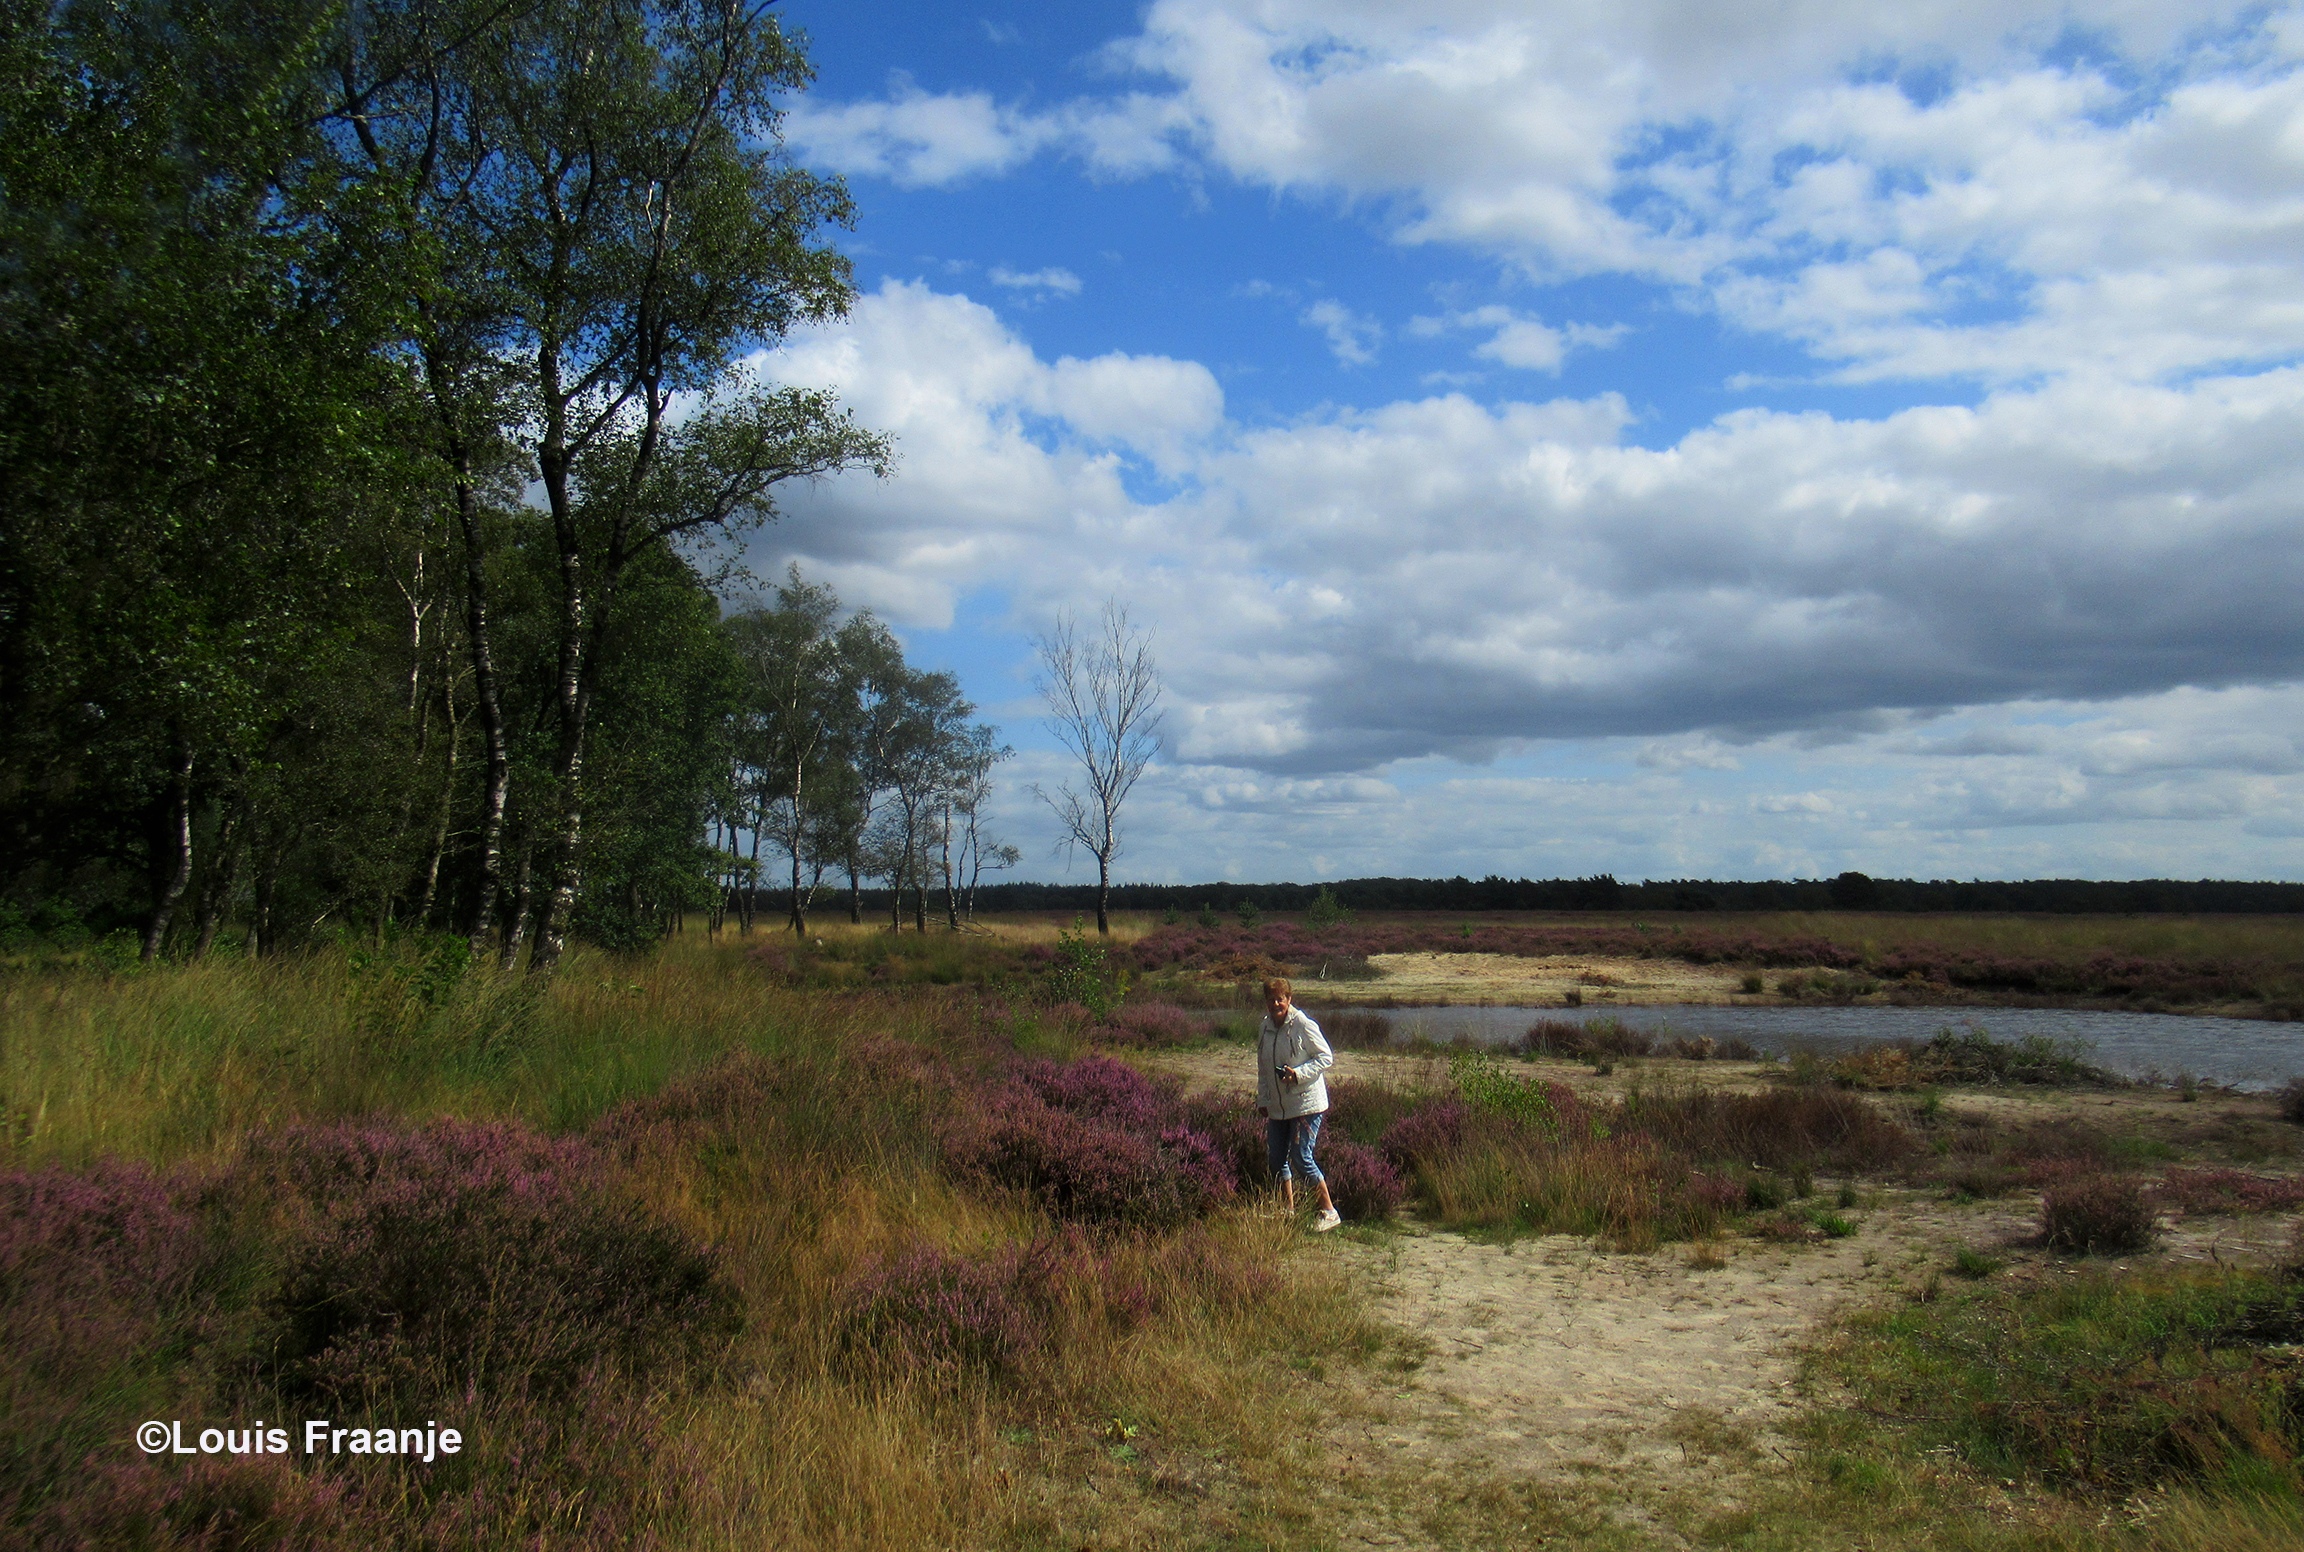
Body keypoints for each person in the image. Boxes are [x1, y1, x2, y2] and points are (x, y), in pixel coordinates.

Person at [1255, 976, 1341, 1231]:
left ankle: (1329, 1212)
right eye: (1271, 999)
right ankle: (1287, 1209)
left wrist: (1298, 1074)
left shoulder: (1303, 1024)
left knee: (1301, 1157)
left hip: (1307, 1103)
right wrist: (1263, 1097)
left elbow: (1326, 1057)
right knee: (1276, 1157)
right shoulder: (1264, 1028)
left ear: (1289, 999)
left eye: (1281, 998)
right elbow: (1263, 1067)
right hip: (1278, 1105)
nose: (1276, 1003)